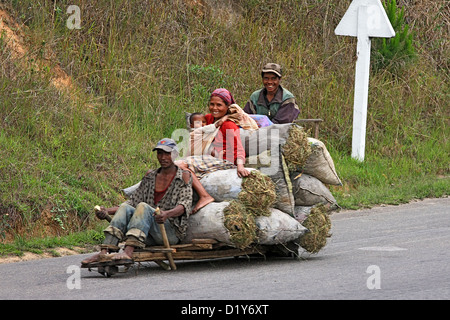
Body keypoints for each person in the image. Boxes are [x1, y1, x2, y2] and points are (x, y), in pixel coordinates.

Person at [81, 138, 193, 265]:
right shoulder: (150, 177)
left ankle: (128, 251)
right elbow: (132, 202)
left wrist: (166, 214)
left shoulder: (183, 177)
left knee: (143, 207)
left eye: (167, 153)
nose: (163, 157)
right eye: (160, 153)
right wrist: (107, 210)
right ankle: (104, 251)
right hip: (146, 232)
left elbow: (184, 205)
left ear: (175, 154)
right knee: (125, 207)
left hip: (168, 232)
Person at [180, 88, 251, 181]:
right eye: (212, 104)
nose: (214, 108)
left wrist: (240, 166)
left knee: (180, 165)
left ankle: (203, 195)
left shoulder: (228, 125)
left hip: (223, 161)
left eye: (219, 105)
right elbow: (198, 132)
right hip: (208, 157)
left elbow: (238, 148)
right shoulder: (209, 119)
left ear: (227, 107)